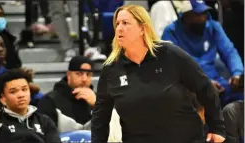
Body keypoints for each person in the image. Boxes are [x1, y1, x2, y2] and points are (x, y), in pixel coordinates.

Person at [91, 5, 225, 143]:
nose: (119, 28)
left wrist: (217, 128)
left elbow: (205, 88)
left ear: (142, 28)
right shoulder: (111, 69)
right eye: (117, 23)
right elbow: (100, 116)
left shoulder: (169, 54)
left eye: (125, 23)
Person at [161, 0, 244, 106]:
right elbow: (173, 67)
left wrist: (237, 74)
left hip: (217, 83)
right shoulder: (171, 33)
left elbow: (229, 52)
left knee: (240, 96)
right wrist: (201, 83)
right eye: (197, 14)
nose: (203, 18)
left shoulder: (213, 27)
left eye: (204, 13)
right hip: (189, 87)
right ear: (186, 15)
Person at [0, 69, 62, 143]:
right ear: (2, 98)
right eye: (13, 92)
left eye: (24, 89)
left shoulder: (45, 121)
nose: (21, 95)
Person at [37, 56, 96, 133]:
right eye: (79, 74)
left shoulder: (97, 99)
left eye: (88, 74)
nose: (84, 79)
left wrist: (97, 105)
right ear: (68, 75)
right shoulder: (49, 101)